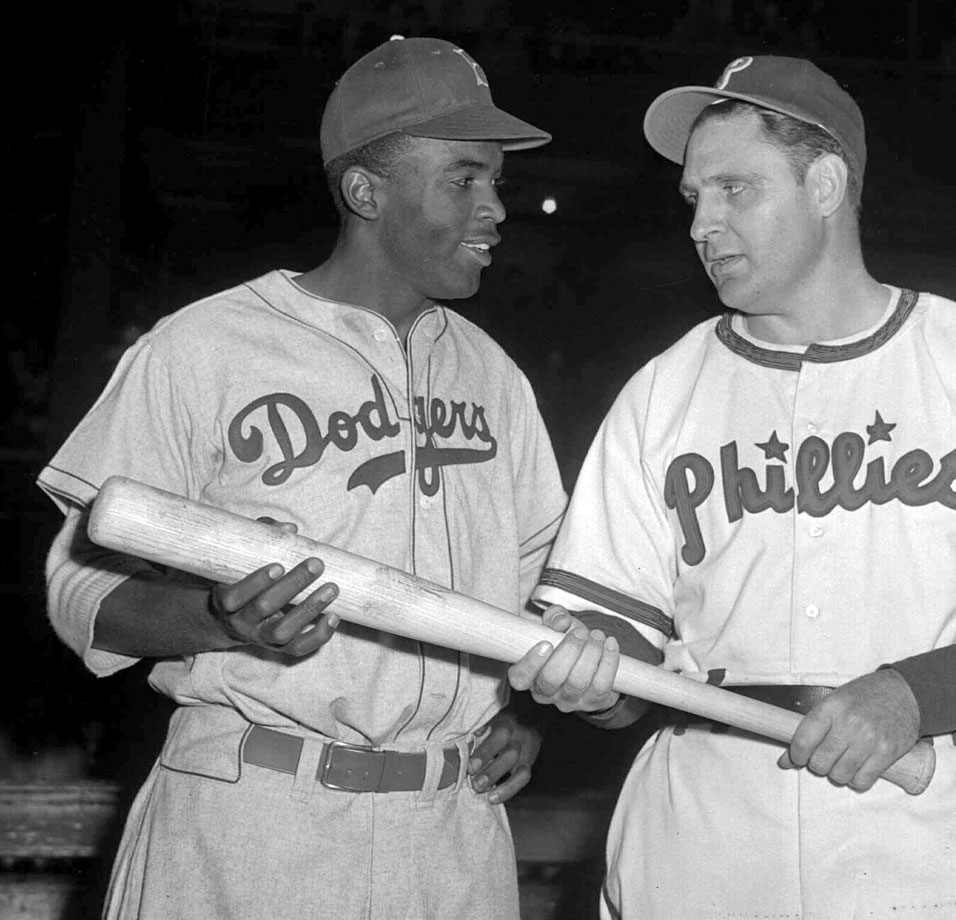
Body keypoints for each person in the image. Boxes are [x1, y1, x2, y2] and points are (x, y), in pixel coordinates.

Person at [507, 55, 956, 919]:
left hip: (927, 817)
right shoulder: (662, 390)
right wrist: (592, 677)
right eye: (693, 197)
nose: (701, 223)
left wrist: (913, 694)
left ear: (824, 184)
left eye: (735, 189)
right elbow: (617, 646)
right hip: (708, 826)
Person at [38, 36, 566, 920]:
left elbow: (539, 597)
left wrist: (521, 713)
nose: (495, 208)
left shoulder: (493, 376)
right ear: (366, 192)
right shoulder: (204, 347)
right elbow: (79, 591)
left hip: (450, 829)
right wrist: (217, 620)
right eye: (464, 179)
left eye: (497, 180)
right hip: (255, 817)